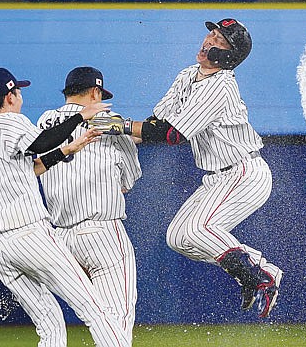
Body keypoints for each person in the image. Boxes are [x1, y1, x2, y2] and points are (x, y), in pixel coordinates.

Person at [88, 18, 282, 318]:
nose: (209, 40)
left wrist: (119, 126)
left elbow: (171, 134)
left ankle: (257, 274)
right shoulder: (187, 75)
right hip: (219, 178)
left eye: (219, 39)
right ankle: (261, 270)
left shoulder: (221, 86)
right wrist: (106, 134)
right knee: (178, 237)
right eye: (211, 34)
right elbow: (154, 125)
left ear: (230, 54)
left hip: (244, 173)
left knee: (198, 229)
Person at [0, 68, 130, 347]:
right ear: (9, 96)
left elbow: (31, 168)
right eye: (18, 91)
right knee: (95, 309)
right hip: (29, 235)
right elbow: (42, 142)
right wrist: (81, 116)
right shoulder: (8, 122)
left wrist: (69, 149)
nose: (20, 97)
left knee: (50, 324)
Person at [36, 66, 142, 344]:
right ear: (95, 92)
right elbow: (129, 177)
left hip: (59, 239)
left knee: (84, 320)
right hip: (101, 233)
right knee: (115, 321)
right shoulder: (107, 119)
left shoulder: (45, 121)